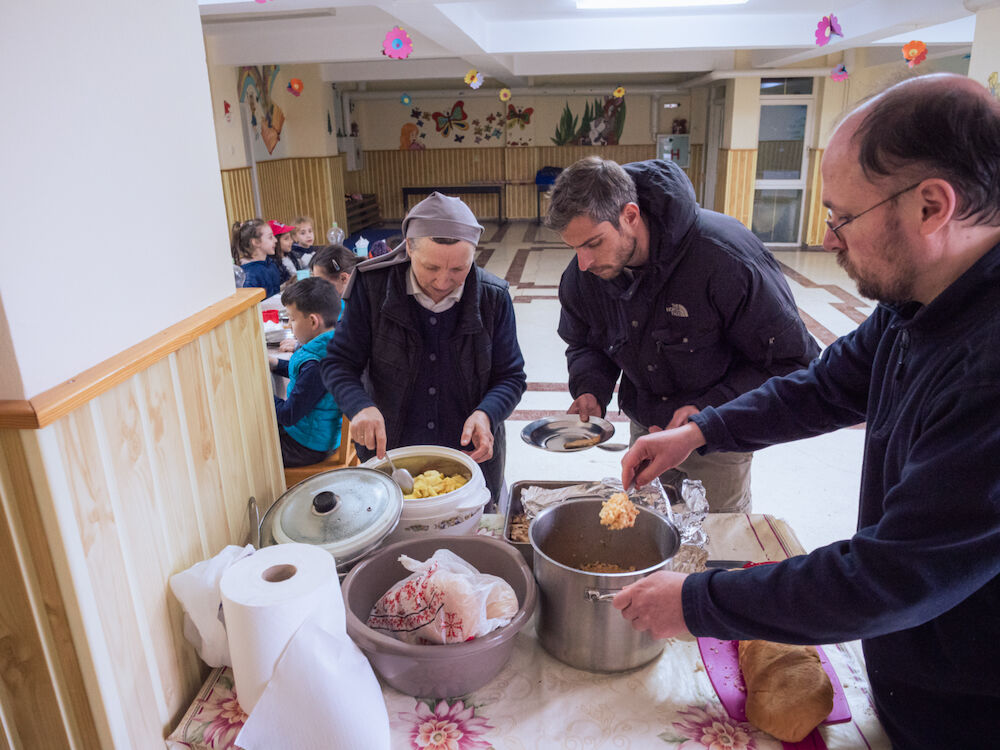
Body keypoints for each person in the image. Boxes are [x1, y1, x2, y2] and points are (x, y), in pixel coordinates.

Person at [616, 74, 1000, 748]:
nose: (827, 240)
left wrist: (695, 602)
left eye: (842, 216)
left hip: (970, 710)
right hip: (915, 672)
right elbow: (824, 387)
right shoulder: (920, 301)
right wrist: (701, 431)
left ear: (932, 206)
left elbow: (890, 577)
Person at [546, 156, 819, 512]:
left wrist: (706, 411)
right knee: (648, 523)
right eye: (575, 248)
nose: (583, 263)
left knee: (716, 532)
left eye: (593, 243)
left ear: (630, 215)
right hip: (646, 424)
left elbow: (793, 363)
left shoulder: (725, 258)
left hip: (719, 436)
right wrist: (590, 388)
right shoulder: (587, 274)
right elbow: (585, 341)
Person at [321, 192, 527, 506]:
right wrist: (360, 406)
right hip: (393, 453)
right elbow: (339, 362)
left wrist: (487, 414)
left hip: (471, 454)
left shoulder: (493, 297)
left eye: (459, 269)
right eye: (431, 267)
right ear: (409, 248)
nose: (443, 281)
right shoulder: (372, 287)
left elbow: (510, 376)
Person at [268, 277, 343, 467]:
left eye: (292, 319)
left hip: (308, 446)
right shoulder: (330, 344)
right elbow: (305, 379)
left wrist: (263, 394)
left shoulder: (317, 365)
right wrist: (276, 364)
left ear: (312, 321)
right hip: (318, 435)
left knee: (255, 451)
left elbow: (288, 415)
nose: (290, 325)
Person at [231, 219, 281, 298]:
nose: (276, 240)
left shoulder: (270, 263)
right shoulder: (248, 274)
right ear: (256, 242)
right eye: (270, 237)